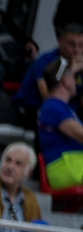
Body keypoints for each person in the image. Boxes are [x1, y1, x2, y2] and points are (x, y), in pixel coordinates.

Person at [39, 60, 83, 190]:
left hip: (75, 163)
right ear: (65, 81)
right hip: (65, 166)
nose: (76, 82)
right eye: (74, 78)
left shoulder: (63, 107)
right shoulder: (52, 106)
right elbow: (81, 134)